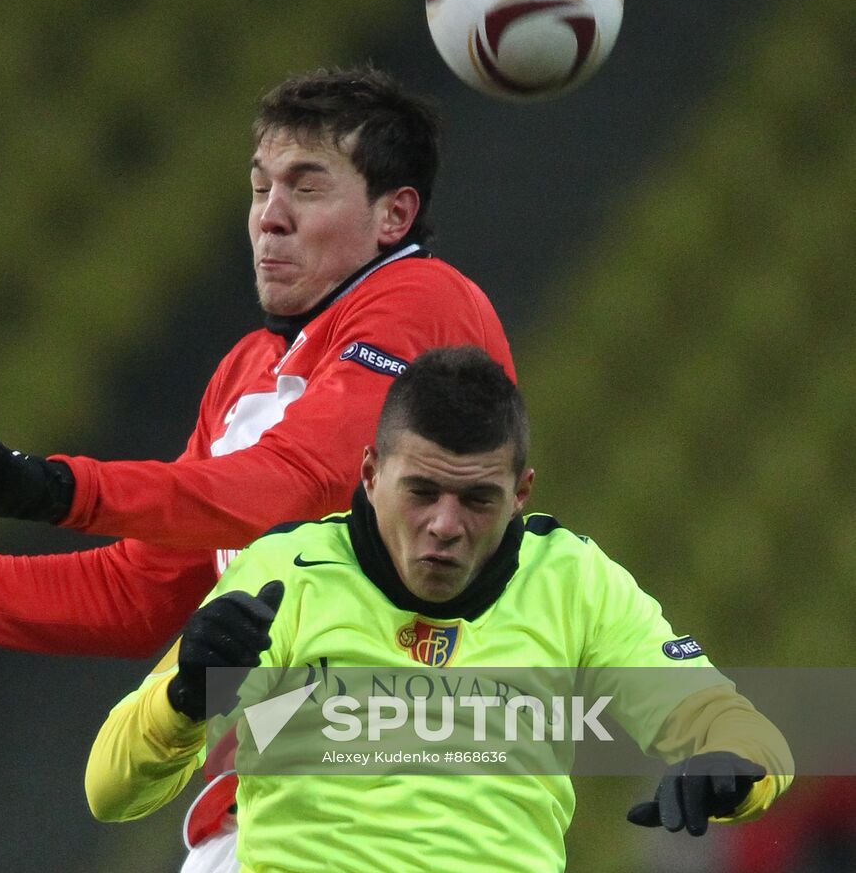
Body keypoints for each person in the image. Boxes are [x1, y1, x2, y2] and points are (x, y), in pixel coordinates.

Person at [0, 68, 515, 866]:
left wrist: (57, 488)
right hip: (267, 818)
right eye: (261, 185)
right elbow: (133, 595)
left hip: (402, 810)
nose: (270, 218)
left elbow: (292, 481)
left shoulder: (422, 302)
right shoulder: (246, 375)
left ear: (393, 214)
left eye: (307, 188)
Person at [85, 347, 793, 873]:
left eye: (477, 499)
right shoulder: (285, 575)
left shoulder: (575, 582)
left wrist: (735, 769)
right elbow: (109, 790)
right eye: (421, 491)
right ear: (370, 475)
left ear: (521, 495)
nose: (445, 525)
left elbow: (735, 728)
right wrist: (182, 699)